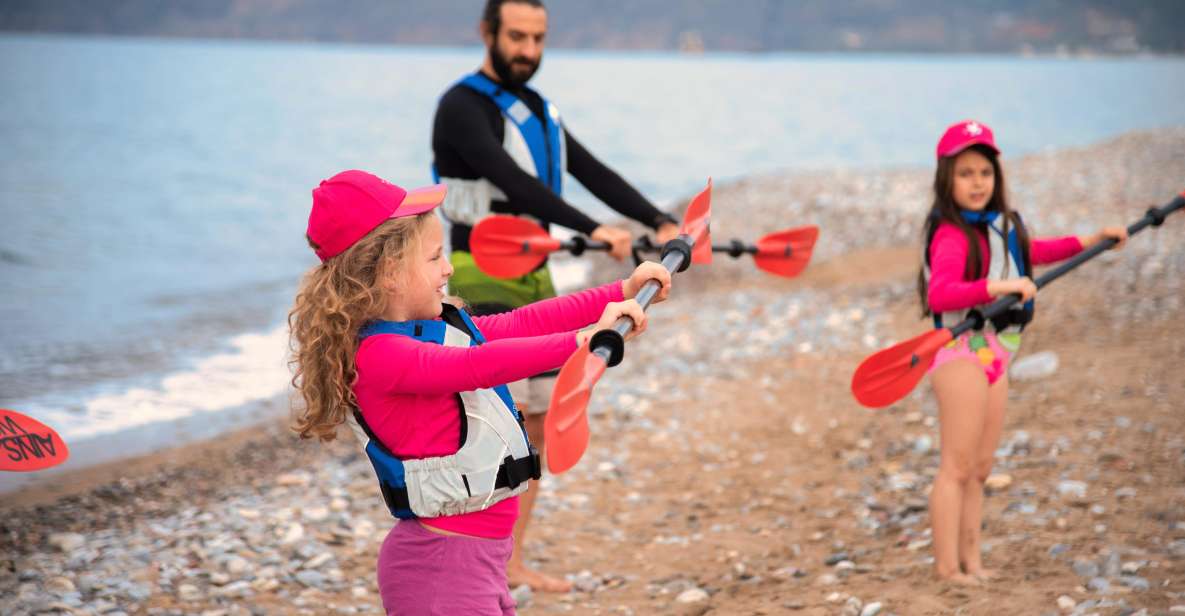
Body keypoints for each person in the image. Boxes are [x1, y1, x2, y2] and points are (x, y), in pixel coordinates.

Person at [288, 169, 671, 614]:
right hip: (439, 569)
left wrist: (619, 291)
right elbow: (477, 366)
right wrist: (582, 342)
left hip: (478, 559)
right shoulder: (381, 356)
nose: (449, 268)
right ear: (388, 273)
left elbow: (520, 322)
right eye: (434, 258)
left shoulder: (431, 329)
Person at [430, 0, 680, 591]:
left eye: (538, 38)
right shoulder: (460, 107)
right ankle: (475, 561)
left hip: (534, 276)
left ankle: (511, 560)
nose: (528, 51)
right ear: (487, 32)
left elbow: (592, 171)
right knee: (492, 424)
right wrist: (591, 229)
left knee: (535, 428)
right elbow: (513, 181)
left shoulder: (539, 110)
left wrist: (658, 218)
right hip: (475, 274)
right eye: (517, 36)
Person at [917, 120, 1129, 584]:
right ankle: (947, 568)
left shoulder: (1003, 225)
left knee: (980, 468)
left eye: (985, 174)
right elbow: (941, 293)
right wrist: (1000, 286)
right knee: (955, 466)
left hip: (998, 353)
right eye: (966, 173)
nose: (977, 184)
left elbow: (1036, 250)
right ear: (946, 179)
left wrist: (1091, 241)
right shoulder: (949, 234)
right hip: (959, 354)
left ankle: (974, 561)